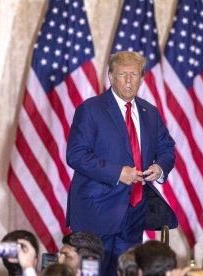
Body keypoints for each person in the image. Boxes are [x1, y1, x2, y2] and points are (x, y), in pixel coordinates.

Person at [66, 51, 177, 275]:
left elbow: (166, 148)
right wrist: (117, 173)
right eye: (122, 74)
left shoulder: (150, 112)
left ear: (142, 78)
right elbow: (76, 155)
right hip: (95, 213)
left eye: (134, 74)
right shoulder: (91, 109)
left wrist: (160, 168)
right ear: (110, 76)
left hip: (134, 213)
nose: (128, 80)